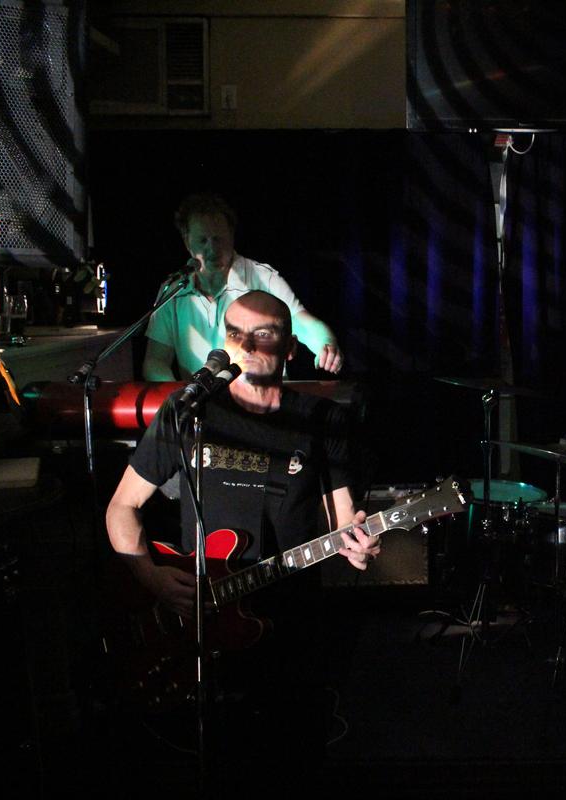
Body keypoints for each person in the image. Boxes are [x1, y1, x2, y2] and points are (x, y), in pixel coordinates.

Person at [106, 291, 377, 773]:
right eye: (235, 333)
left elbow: (343, 520)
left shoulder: (322, 419)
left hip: (289, 613)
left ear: (290, 348)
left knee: (292, 750)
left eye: (263, 335)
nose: (246, 344)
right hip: (202, 616)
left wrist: (357, 543)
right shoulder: (188, 412)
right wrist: (150, 578)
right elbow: (122, 507)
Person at [142, 193, 343, 381]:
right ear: (187, 242)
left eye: (218, 239)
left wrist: (326, 345)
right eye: (203, 240)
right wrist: (180, 399)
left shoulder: (264, 279)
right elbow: (155, 361)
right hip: (201, 411)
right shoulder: (173, 291)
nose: (212, 249)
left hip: (261, 409)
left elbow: (303, 323)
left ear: (231, 235)